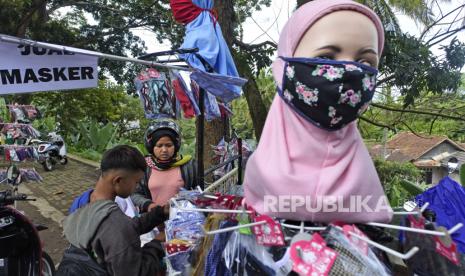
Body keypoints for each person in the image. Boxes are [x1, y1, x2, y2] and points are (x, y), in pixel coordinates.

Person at [243, 0, 393, 223]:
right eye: (325, 58)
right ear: (283, 69)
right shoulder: (260, 173)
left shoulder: (366, 182)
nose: (349, 70)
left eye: (365, 61)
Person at [58, 145, 169, 275]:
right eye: (137, 182)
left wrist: (160, 213)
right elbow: (137, 273)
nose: (137, 187)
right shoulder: (116, 225)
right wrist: (158, 243)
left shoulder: (86, 203)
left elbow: (128, 227)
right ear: (118, 181)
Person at [131, 120, 197, 213]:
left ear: (176, 146)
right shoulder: (144, 167)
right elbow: (135, 194)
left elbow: (199, 190)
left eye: (169, 145)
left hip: (183, 219)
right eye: (159, 145)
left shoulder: (189, 165)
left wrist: (185, 198)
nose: (164, 150)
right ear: (151, 147)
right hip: (152, 221)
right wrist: (149, 205)